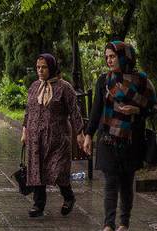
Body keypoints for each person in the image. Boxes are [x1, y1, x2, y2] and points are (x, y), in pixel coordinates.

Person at [83, 41, 156, 231]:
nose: (109, 60)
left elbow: (152, 108)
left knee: (126, 183)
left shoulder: (142, 81)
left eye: (113, 56)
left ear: (125, 57)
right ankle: (108, 224)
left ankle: (124, 223)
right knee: (110, 182)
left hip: (132, 139)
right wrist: (89, 134)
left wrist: (137, 110)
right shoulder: (103, 80)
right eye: (107, 57)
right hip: (107, 138)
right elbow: (96, 110)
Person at [21, 53, 84, 218]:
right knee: (37, 169)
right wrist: (24, 131)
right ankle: (38, 205)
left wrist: (80, 133)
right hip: (35, 137)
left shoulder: (64, 87)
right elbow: (28, 111)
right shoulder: (34, 86)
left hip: (57, 138)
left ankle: (69, 197)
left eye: (44, 67)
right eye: (38, 67)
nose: (40, 71)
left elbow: (74, 112)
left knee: (58, 170)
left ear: (52, 68)